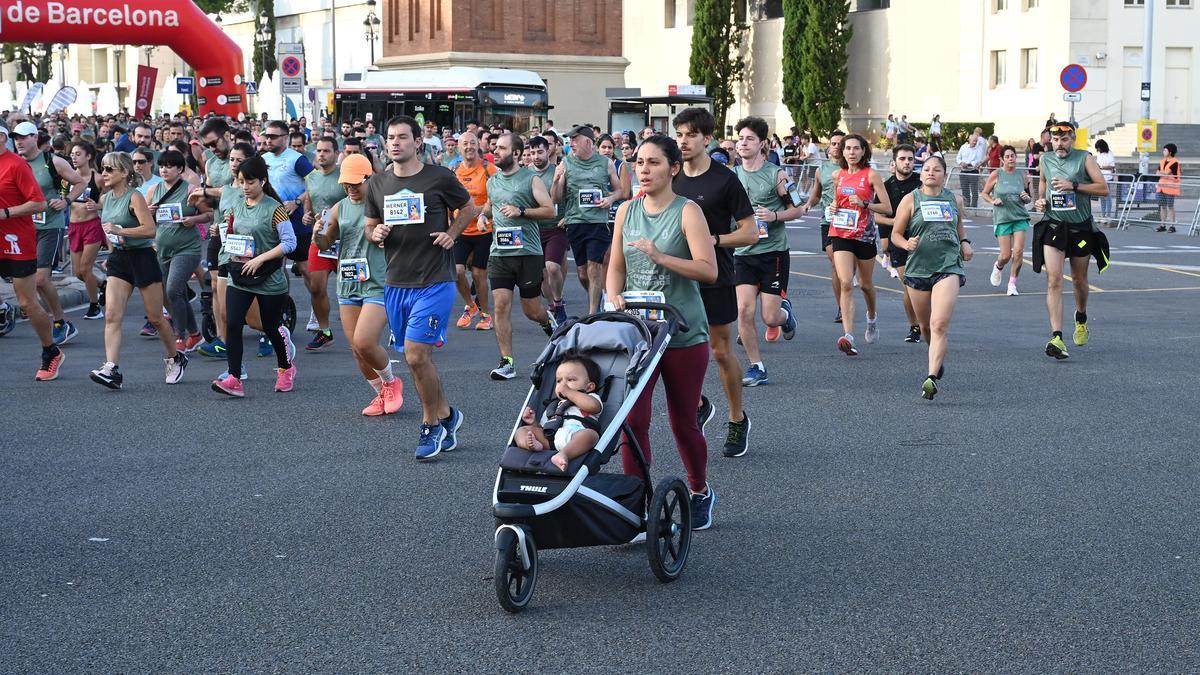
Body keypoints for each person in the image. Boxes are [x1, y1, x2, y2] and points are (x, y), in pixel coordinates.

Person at [605, 134, 719, 529]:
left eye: (653, 163)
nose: (644, 169)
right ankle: (635, 503)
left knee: (681, 421)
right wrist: (613, 294)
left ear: (673, 169)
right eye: (639, 162)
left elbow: (708, 270)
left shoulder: (687, 212)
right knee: (632, 421)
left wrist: (660, 257)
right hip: (638, 332)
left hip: (682, 332)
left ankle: (700, 490)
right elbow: (616, 264)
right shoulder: (626, 211)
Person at [365, 115, 477, 461]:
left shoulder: (439, 177)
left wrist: (452, 233)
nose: (395, 143)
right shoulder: (377, 184)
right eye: (390, 138)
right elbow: (371, 224)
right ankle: (447, 415)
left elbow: (468, 208)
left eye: (402, 137)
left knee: (415, 354)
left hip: (435, 279)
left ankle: (430, 426)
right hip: (397, 282)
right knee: (418, 361)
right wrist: (376, 233)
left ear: (417, 142)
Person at [670, 107, 757, 459]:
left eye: (691, 134)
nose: (683, 141)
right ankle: (701, 404)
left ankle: (737, 419)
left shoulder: (724, 180)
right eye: (679, 135)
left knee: (720, 352)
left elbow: (750, 231)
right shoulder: (670, 176)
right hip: (675, 278)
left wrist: (714, 241)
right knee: (675, 354)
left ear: (707, 139)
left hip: (717, 275)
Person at [312, 153, 403, 416]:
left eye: (356, 183)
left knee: (364, 342)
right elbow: (324, 245)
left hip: (378, 280)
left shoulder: (383, 203)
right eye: (346, 183)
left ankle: (391, 381)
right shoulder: (338, 207)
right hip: (349, 282)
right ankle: (381, 393)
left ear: (369, 178)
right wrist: (318, 232)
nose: (351, 188)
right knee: (356, 349)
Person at [90, 151, 188, 389]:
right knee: (112, 315)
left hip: (143, 258)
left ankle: (175, 357)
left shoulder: (135, 197)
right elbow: (109, 229)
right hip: (119, 259)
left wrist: (121, 232)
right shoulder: (106, 198)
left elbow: (150, 230)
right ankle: (111, 368)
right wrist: (112, 248)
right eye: (102, 168)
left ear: (124, 172)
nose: (104, 173)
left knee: (155, 317)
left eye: (109, 169)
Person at [210, 155, 299, 397]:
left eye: (250, 182)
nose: (245, 187)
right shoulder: (237, 206)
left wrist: (260, 258)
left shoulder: (275, 209)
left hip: (268, 278)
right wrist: (223, 239)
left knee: (270, 327)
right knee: (234, 323)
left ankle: (285, 367)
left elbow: (290, 243)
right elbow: (231, 235)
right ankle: (234, 377)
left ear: (262, 180)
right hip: (239, 275)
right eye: (241, 182)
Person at [889, 155, 971, 400]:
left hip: (948, 266)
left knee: (939, 324)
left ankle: (931, 377)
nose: (931, 172)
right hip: (918, 268)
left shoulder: (954, 199)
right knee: (925, 326)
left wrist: (965, 243)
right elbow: (895, 234)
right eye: (926, 169)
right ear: (921, 173)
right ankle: (936, 355)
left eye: (936, 169)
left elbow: (959, 228)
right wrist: (906, 243)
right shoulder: (910, 199)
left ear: (944, 175)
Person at [730, 116, 800, 389]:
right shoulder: (732, 176)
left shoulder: (777, 175)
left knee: (769, 317)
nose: (743, 143)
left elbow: (798, 208)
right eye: (740, 139)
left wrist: (774, 215)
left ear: (762, 144)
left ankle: (785, 315)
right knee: (744, 310)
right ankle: (757, 366)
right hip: (744, 252)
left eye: (749, 139)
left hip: (773, 252)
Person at [482, 133, 558, 380]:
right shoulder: (492, 182)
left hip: (528, 253)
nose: (496, 151)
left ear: (515, 153)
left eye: (502, 148)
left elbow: (549, 211)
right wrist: (484, 217)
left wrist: (521, 211)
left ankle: (550, 323)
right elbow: (489, 206)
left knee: (531, 310)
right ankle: (507, 362)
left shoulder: (531, 178)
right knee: (501, 306)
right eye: (495, 147)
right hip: (500, 254)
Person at [1032, 123, 1109, 360]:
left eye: (1064, 140)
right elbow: (1043, 184)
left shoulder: (1085, 158)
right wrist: (1041, 201)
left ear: (1072, 139)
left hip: (1080, 227)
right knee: (1054, 280)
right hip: (1054, 225)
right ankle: (1057, 336)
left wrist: (1073, 186)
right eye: (1056, 140)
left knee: (1078, 280)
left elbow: (1103, 188)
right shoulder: (1045, 159)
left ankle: (1081, 316)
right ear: (1050, 141)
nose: (1060, 144)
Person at [12, 122, 87, 346]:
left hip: (49, 225)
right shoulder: (14, 163)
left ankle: (61, 322)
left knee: (42, 278)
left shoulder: (52, 161)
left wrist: (65, 201)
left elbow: (80, 182)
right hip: (22, 228)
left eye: (24, 137)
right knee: (27, 279)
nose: (19, 142)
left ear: (35, 138)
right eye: (16, 138)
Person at [0, 122, 63, 381]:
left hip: (16, 241)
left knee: (27, 302)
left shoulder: (16, 164)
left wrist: (5, 213)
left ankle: (51, 351)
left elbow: (38, 203)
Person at [827, 134, 891, 356]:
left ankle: (871, 318)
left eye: (856, 148)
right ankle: (848, 335)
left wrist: (865, 203)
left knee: (865, 284)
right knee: (846, 282)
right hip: (841, 233)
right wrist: (833, 207)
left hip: (864, 235)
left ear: (864, 151)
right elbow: (837, 202)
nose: (852, 152)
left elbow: (887, 208)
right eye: (848, 148)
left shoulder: (871, 175)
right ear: (842, 152)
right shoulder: (838, 175)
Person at [551, 125, 624, 315]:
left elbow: (620, 191)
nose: (571, 144)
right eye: (570, 140)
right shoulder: (565, 163)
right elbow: (556, 198)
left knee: (594, 266)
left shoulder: (605, 163)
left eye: (574, 140)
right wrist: (556, 180)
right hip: (575, 223)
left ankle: (593, 313)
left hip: (597, 223)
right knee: (583, 272)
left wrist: (610, 198)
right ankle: (598, 297)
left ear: (588, 142)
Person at [150, 149, 205, 352]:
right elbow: (145, 219)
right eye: (162, 165)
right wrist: (149, 212)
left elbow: (208, 214)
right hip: (163, 249)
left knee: (173, 290)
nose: (164, 169)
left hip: (187, 248)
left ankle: (179, 336)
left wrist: (193, 219)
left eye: (169, 166)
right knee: (173, 293)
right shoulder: (154, 190)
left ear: (180, 169)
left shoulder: (191, 189)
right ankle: (195, 334)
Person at [513, 355, 603, 471]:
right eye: (559, 381)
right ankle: (532, 445)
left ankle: (564, 454)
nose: (563, 385)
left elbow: (593, 407)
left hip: (575, 438)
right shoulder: (554, 405)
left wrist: (569, 392)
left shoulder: (590, 398)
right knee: (522, 431)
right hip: (551, 438)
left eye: (571, 380)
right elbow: (544, 427)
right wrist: (533, 422)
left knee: (591, 435)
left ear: (589, 387)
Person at [873, 144, 923, 342]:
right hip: (899, 240)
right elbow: (876, 216)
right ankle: (915, 327)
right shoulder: (886, 187)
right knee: (909, 285)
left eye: (910, 159)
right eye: (903, 159)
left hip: (923, 239)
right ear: (894, 163)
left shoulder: (921, 184)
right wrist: (895, 223)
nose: (907, 162)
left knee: (926, 286)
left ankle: (929, 322)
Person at [299, 136, 343, 350]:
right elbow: (310, 200)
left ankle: (364, 329)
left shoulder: (345, 175)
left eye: (326, 150)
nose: (322, 154)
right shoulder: (312, 177)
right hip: (320, 236)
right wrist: (307, 215)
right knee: (316, 287)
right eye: (319, 151)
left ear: (336, 153)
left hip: (346, 237)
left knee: (355, 288)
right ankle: (324, 331)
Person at [451, 132, 497, 330]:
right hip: (461, 229)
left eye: (472, 143)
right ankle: (470, 306)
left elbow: (498, 195)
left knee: (479, 274)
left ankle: (486, 315)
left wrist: (481, 211)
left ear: (479, 145)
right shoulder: (453, 171)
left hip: (483, 229)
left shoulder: (489, 170)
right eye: (464, 144)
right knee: (457, 271)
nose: (468, 147)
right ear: (458, 148)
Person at [803, 130, 848, 323]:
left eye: (840, 143)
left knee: (848, 269)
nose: (836, 146)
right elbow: (816, 194)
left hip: (850, 220)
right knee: (836, 263)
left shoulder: (854, 168)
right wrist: (808, 204)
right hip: (828, 221)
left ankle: (848, 295)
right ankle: (842, 307)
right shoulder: (822, 169)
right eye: (833, 143)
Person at [981, 145, 1032, 296]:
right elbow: (984, 193)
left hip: (1020, 217)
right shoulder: (997, 174)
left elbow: (1029, 198)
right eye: (1007, 156)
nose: (1011, 159)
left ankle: (1012, 284)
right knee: (1005, 255)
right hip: (1003, 217)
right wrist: (992, 200)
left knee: (1018, 252)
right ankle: (998, 266)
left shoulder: (1022, 175)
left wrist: (1026, 198)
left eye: (1013, 156)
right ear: (1002, 159)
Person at [68, 140, 106, 320]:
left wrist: (97, 206)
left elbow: (109, 200)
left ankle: (94, 306)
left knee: (85, 268)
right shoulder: (67, 177)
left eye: (78, 154)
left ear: (88, 156)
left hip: (92, 225)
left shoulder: (98, 178)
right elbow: (62, 197)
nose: (74, 158)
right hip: (74, 226)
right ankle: (103, 285)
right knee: (78, 273)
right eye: (72, 154)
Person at [1156, 143, 1180, 233]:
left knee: (1170, 206)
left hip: (1170, 187)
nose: (1163, 151)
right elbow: (1157, 173)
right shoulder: (1162, 161)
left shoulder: (1175, 162)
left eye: (1165, 150)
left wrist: (1162, 173)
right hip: (1161, 187)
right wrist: (1163, 173)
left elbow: (1167, 173)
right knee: (1162, 206)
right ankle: (1163, 225)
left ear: (1170, 152)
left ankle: (1172, 226)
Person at [955, 134, 985, 208]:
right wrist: (961, 163)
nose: (975, 142)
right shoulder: (963, 147)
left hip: (973, 172)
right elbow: (958, 158)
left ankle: (974, 207)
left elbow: (978, 160)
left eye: (976, 141)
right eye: (974, 140)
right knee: (965, 191)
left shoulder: (978, 149)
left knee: (974, 192)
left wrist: (969, 164)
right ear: (969, 140)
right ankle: (966, 207)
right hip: (963, 171)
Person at [1094, 139, 1116, 224]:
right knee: (1102, 197)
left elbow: (1111, 166)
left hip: (1107, 177)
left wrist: (1101, 167)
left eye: (1098, 148)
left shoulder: (1110, 154)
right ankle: (1103, 214)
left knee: (1107, 197)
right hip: (1100, 177)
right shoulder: (1099, 155)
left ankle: (1108, 215)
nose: (1097, 150)